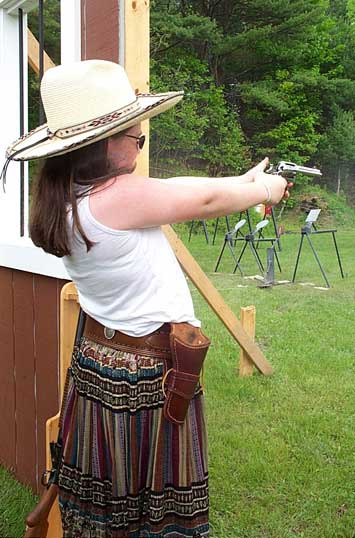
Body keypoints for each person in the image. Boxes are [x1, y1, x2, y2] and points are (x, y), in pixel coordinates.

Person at [5, 60, 287, 538]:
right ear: (103, 144)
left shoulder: (70, 196)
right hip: (146, 372)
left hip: (102, 363)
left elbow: (176, 190)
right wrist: (265, 189)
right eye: (135, 137)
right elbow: (198, 202)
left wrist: (242, 181)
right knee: (151, 506)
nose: (141, 141)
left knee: (109, 496)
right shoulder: (117, 198)